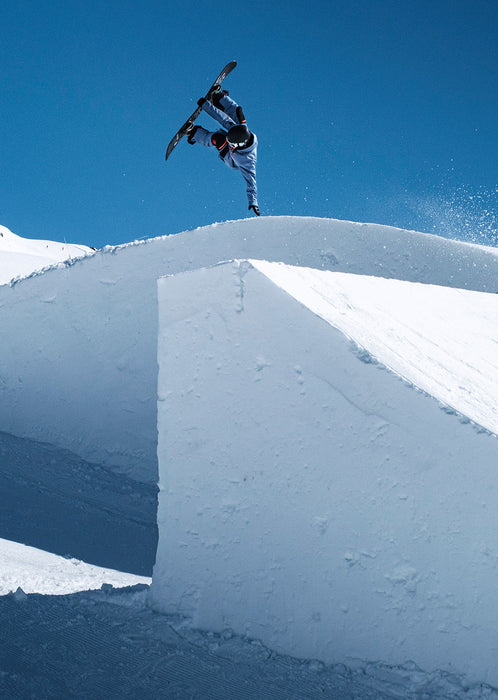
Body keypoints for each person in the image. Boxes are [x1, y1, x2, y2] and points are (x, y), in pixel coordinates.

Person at [185, 88, 260, 216]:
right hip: (236, 134)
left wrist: (253, 202)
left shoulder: (247, 162)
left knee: (218, 139)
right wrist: (205, 104)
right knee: (236, 111)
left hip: (231, 159)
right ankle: (218, 98)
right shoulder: (239, 128)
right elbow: (221, 118)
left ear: (239, 145)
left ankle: (193, 134)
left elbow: (251, 183)